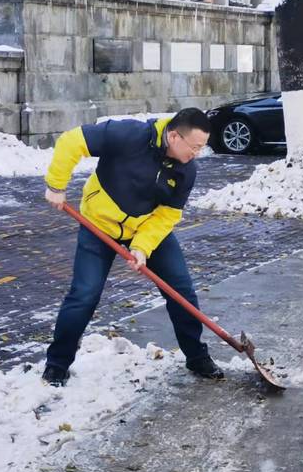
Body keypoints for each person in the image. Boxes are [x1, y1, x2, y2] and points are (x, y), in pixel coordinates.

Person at [41, 108, 224, 386]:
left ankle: (197, 357)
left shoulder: (186, 170)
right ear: (175, 136)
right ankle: (57, 364)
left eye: (202, 147)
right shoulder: (129, 134)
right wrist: (56, 185)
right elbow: (72, 141)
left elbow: (167, 215)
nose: (197, 153)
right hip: (99, 224)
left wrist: (142, 247)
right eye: (195, 146)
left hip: (145, 227)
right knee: (84, 294)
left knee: (181, 290)